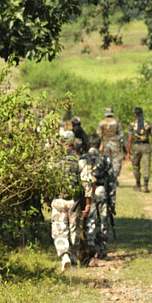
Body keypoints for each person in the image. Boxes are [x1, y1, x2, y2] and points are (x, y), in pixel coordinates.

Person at [50, 131, 93, 271]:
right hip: (74, 202)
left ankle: (64, 255)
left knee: (59, 230)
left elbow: (47, 184)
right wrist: (87, 203)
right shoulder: (79, 161)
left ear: (61, 143)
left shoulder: (53, 161)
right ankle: (73, 262)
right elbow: (86, 183)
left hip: (58, 200)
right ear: (74, 144)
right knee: (74, 231)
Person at [81, 134, 117, 262]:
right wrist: (112, 201)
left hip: (88, 191)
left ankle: (91, 248)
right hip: (101, 190)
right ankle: (102, 250)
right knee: (102, 220)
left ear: (89, 144)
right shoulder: (105, 158)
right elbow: (112, 181)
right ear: (100, 144)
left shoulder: (83, 158)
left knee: (90, 220)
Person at [127, 107, 152, 193]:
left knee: (136, 166)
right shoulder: (148, 124)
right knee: (146, 166)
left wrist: (128, 152)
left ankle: (138, 185)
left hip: (136, 146)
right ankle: (146, 186)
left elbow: (129, 139)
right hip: (146, 146)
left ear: (135, 115)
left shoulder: (132, 125)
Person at [97, 107, 126, 178]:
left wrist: (99, 145)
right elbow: (121, 134)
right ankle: (114, 175)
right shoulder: (117, 122)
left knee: (106, 159)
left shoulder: (101, 122)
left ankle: (107, 175)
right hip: (115, 143)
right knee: (116, 159)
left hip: (106, 143)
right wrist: (124, 145)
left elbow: (99, 135)